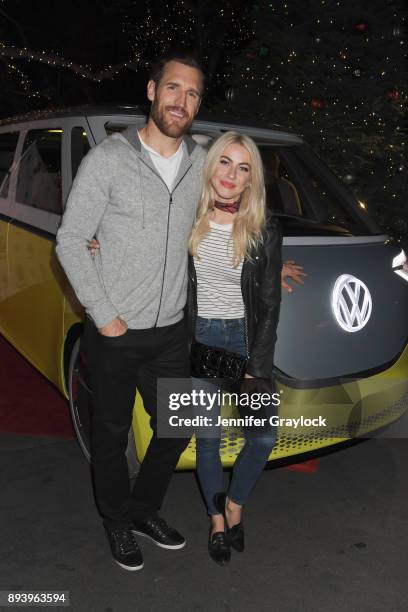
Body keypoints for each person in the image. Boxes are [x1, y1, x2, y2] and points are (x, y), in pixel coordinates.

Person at [56, 51, 207, 571]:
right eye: (173, 89)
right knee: (112, 435)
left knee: (178, 427)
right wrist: (103, 313)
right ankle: (117, 522)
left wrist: (268, 265)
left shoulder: (200, 164)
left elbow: (232, 220)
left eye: (191, 94)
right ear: (151, 91)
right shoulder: (110, 159)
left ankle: (145, 510)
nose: (180, 101)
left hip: (170, 332)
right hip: (114, 330)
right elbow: (71, 240)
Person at [187, 131, 282, 566]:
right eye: (224, 162)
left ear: (251, 179)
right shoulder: (186, 215)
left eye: (243, 167)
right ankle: (216, 521)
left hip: (246, 339)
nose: (231, 174)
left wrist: (256, 363)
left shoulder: (264, 228)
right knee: (207, 443)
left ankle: (235, 504)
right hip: (199, 336)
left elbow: (268, 301)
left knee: (262, 438)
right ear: (211, 166)